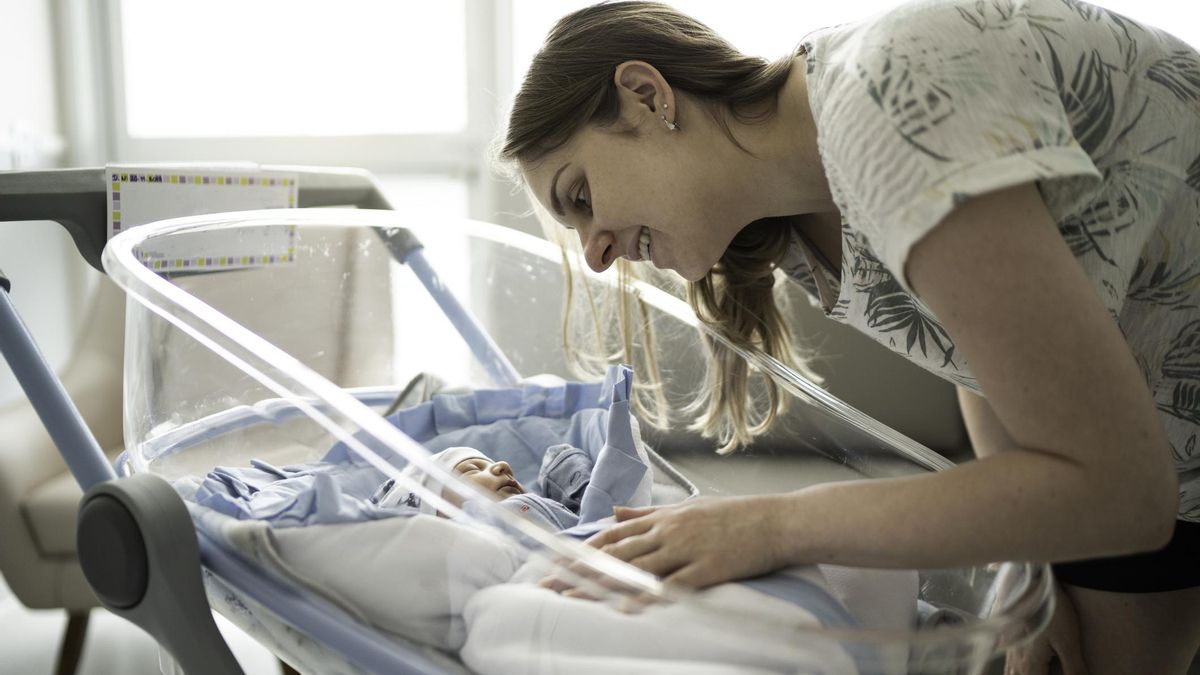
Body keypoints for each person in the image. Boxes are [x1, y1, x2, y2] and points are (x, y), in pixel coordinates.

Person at [496, 0, 1200, 672]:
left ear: (647, 95)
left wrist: (771, 527)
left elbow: (1124, 495)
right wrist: (1033, 549)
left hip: (1135, 466)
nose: (596, 254)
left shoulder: (889, 102)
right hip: (1147, 443)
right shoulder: (797, 225)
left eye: (581, 197)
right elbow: (980, 352)